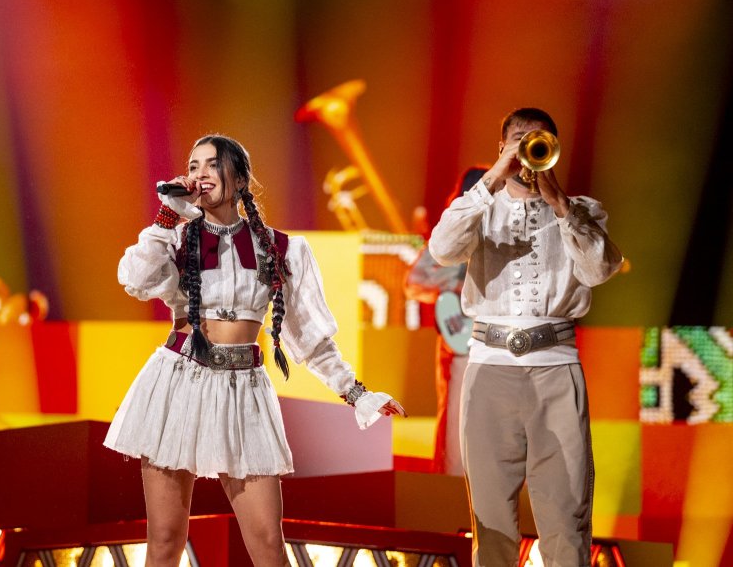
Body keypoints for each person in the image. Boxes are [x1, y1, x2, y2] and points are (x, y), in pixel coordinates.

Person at [104, 134, 406, 566]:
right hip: (178, 382)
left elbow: (311, 338)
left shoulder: (282, 249)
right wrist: (168, 216)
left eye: (211, 165)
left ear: (241, 179)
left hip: (244, 390)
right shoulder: (175, 237)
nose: (199, 175)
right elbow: (135, 278)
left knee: (267, 543)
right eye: (193, 166)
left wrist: (357, 394)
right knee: (166, 540)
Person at [428, 108, 623, 566]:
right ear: (502, 148)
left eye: (538, 142)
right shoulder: (479, 207)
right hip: (489, 369)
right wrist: (496, 177)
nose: (527, 149)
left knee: (566, 512)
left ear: (552, 151)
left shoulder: (582, 210)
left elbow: (600, 269)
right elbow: (441, 250)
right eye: (519, 141)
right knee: (491, 517)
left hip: (555, 368)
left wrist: (559, 203)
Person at [404, 166, 487, 476]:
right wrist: (456, 281)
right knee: (456, 426)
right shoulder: (450, 236)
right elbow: (413, 281)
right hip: (461, 345)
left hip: (497, 344)